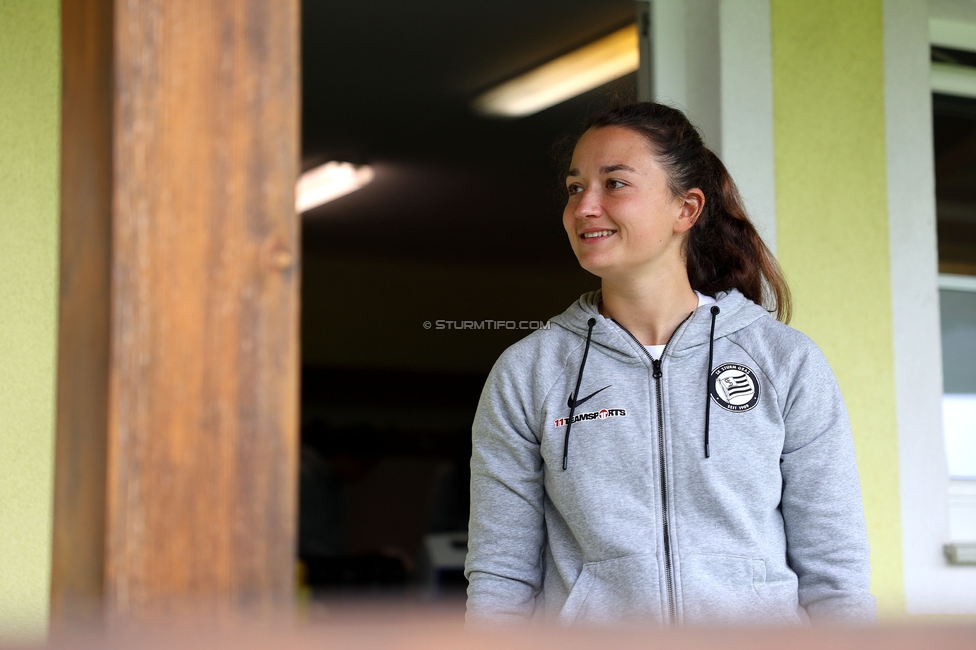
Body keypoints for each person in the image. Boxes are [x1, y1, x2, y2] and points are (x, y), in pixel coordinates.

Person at [463, 102, 875, 626]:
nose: (585, 206)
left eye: (614, 184)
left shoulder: (784, 361)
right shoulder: (529, 372)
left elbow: (835, 570)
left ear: (687, 209)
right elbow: (501, 575)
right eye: (574, 188)